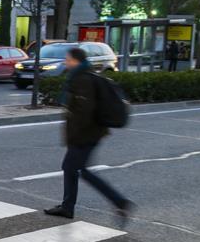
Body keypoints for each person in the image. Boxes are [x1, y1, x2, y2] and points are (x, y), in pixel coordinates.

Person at [44, 47, 133, 223]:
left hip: (86, 134)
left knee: (75, 169)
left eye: (68, 60)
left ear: (76, 61)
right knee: (74, 168)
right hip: (90, 132)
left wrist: (75, 135)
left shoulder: (82, 80)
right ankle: (68, 207)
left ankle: (119, 201)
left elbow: (84, 111)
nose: (65, 63)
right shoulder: (83, 76)